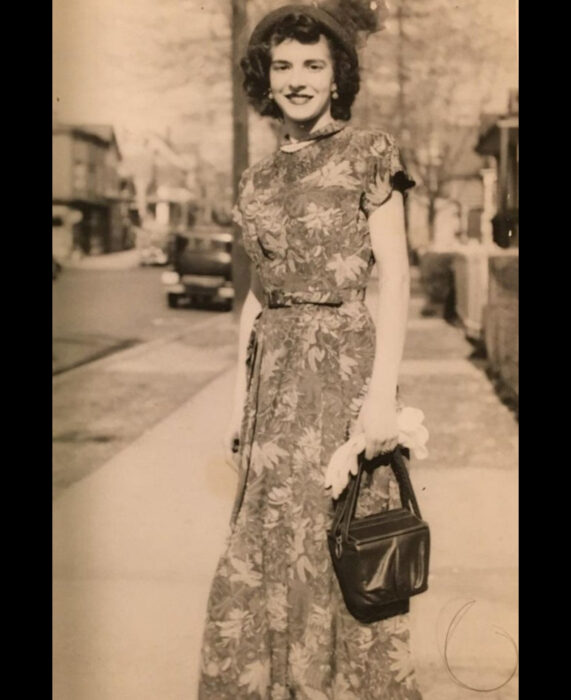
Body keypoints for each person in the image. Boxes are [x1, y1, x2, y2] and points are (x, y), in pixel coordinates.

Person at [198, 2, 422, 698]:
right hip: (273, 389)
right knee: (265, 549)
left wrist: (380, 396)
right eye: (283, 65)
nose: (297, 79)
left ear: (336, 76)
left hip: (342, 375)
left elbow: (394, 277)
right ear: (264, 77)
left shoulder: (369, 152)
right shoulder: (257, 179)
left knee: (337, 545)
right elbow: (257, 298)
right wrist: (239, 409)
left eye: (313, 66)